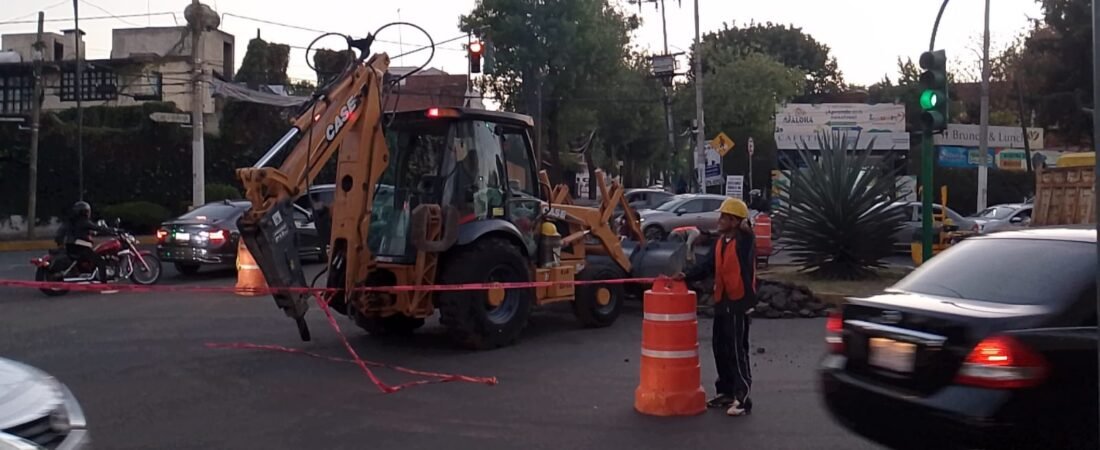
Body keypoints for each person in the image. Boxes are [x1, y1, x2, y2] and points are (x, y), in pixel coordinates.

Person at [674, 197, 757, 416]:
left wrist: (746, 226)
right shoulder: (720, 242)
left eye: (725, 217)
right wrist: (687, 275)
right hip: (722, 301)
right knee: (721, 347)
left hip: (739, 303)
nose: (719, 220)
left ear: (735, 221)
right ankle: (727, 391)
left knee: (738, 350)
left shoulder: (744, 241)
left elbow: (749, 235)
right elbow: (707, 266)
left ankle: (743, 397)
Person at [63, 201, 116, 287]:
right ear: (84, 212)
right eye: (87, 211)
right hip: (80, 248)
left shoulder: (75, 221)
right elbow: (97, 227)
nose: (89, 213)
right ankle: (105, 285)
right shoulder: (84, 222)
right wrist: (112, 230)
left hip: (73, 246)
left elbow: (86, 231)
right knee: (101, 262)